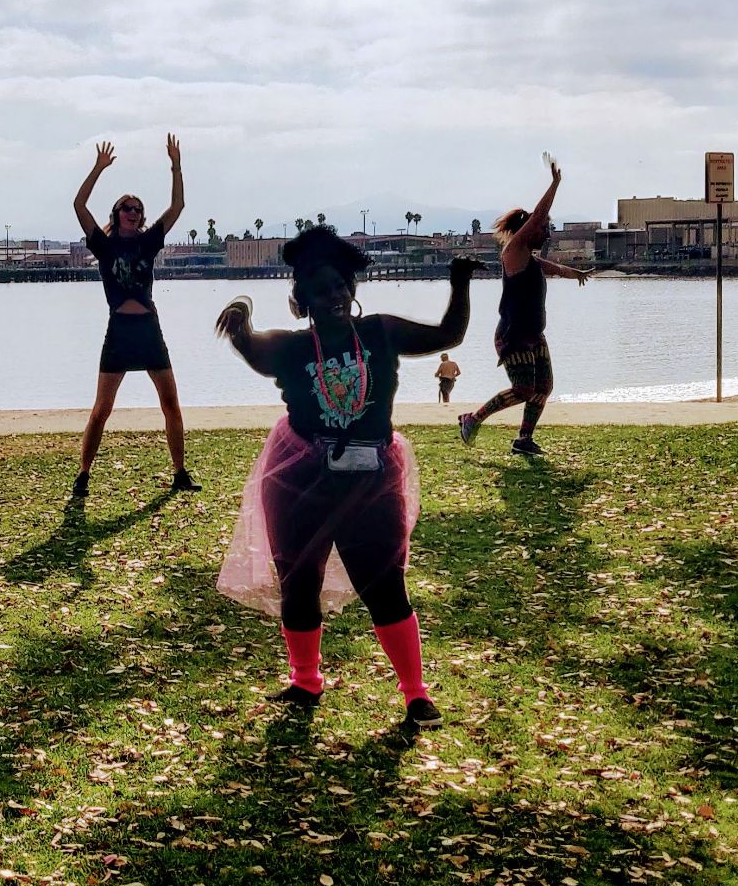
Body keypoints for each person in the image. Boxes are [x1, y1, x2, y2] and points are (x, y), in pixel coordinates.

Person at [215, 226, 477, 729]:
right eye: (321, 291)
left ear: (352, 289)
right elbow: (252, 348)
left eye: (340, 286)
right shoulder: (293, 348)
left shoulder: (380, 332)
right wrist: (240, 321)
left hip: (372, 478)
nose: (334, 297)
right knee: (299, 584)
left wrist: (459, 280)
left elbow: (449, 336)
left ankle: (415, 694)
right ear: (303, 300)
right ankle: (305, 681)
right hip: (299, 480)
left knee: (386, 587)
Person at [71, 136, 197, 499]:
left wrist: (175, 164)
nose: (133, 212)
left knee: (170, 404)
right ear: (116, 213)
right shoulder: (104, 245)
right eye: (126, 207)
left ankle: (179, 472)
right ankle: (83, 474)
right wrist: (98, 168)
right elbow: (78, 204)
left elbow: (178, 205)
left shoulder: (148, 242)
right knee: (102, 409)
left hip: (148, 330)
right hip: (119, 332)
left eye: (137, 208)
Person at [459, 155, 587, 457]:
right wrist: (555, 184)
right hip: (514, 334)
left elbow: (553, 268)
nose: (546, 233)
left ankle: (523, 440)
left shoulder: (529, 259)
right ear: (529, 230)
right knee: (523, 390)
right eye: (544, 230)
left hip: (534, 334)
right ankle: (472, 419)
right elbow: (540, 214)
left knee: (543, 387)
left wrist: (576, 274)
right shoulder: (514, 251)